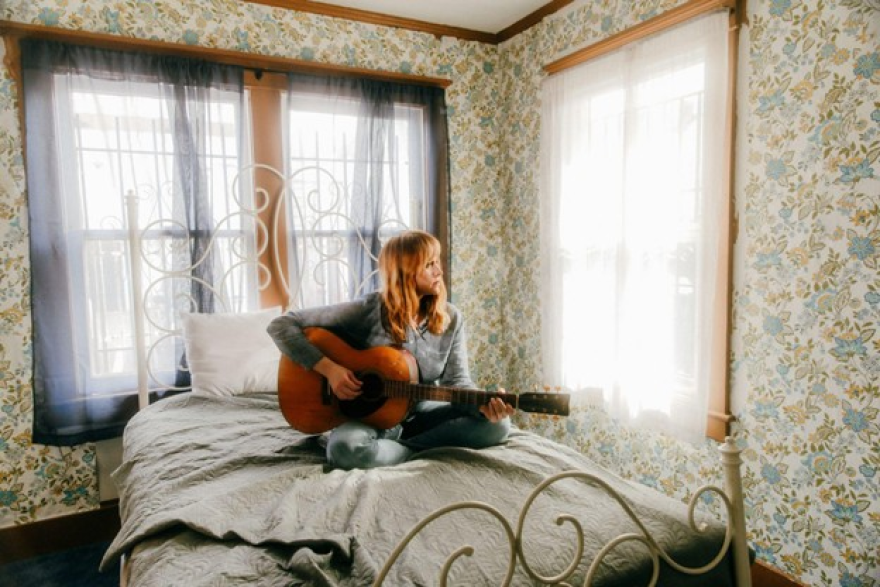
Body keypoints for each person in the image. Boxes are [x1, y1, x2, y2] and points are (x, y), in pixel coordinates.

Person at [268, 229, 514, 470]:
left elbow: (458, 381)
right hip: (369, 417)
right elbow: (281, 325)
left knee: (498, 427)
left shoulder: (451, 318)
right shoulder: (368, 310)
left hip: (420, 413)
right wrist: (330, 370)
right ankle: (409, 448)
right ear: (406, 272)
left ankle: (404, 450)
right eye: (429, 265)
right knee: (344, 450)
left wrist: (482, 406)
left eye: (437, 262)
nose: (439, 271)